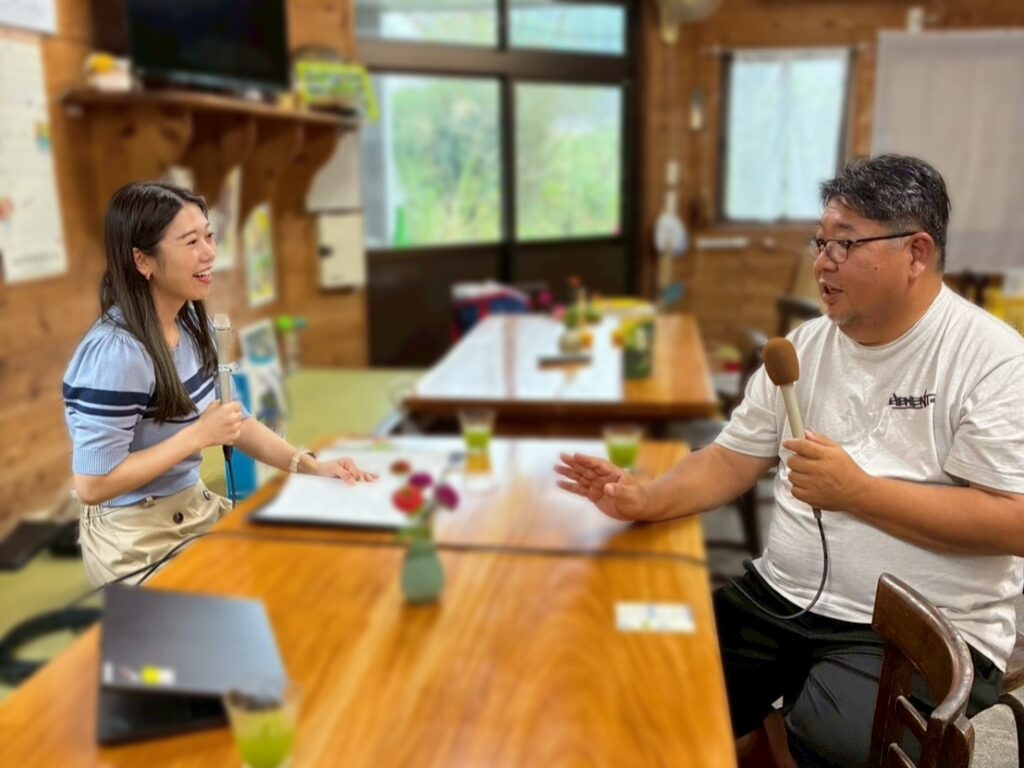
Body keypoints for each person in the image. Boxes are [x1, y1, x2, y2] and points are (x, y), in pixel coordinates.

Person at [557, 154, 1024, 767]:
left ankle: (780, 726)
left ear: (916, 253)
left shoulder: (992, 362)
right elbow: (729, 459)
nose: (823, 262)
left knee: (841, 743)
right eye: (820, 241)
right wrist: (645, 497)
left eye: (846, 243)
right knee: (650, 678)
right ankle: (763, 731)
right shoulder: (806, 344)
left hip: (922, 629)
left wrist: (858, 491)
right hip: (784, 594)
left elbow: (1014, 521)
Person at [64, 181, 377, 587]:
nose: (209, 252)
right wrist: (198, 436)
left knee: (304, 569)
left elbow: (235, 421)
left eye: (209, 236)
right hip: (131, 535)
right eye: (191, 241)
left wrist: (310, 466)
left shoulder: (195, 327)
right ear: (143, 261)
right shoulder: (116, 354)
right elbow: (92, 484)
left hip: (193, 507)